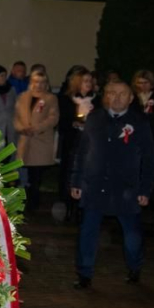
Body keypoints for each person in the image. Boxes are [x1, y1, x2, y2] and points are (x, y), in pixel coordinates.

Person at [71, 81, 154, 289]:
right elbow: (82, 152)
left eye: (122, 94)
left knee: (132, 235)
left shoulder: (140, 122)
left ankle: (135, 267)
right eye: (112, 93)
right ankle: (84, 273)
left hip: (126, 189)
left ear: (130, 98)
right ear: (106, 96)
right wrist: (76, 180)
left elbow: (150, 159)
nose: (117, 98)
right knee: (88, 232)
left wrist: (145, 189)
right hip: (95, 185)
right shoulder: (95, 118)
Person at [57, 67, 99, 221]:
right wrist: (74, 123)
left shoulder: (96, 100)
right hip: (73, 141)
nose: (89, 84)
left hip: (90, 143)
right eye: (85, 81)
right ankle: (68, 205)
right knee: (69, 172)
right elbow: (63, 121)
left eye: (90, 81)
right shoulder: (66, 100)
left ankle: (82, 206)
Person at [14, 69, 58, 212]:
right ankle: (23, 203)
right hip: (26, 140)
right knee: (24, 175)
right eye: (35, 82)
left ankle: (33, 205)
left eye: (41, 82)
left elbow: (53, 118)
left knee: (36, 176)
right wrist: (22, 128)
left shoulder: (50, 98)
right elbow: (16, 117)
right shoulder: (22, 97)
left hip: (40, 141)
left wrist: (36, 128)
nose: (38, 85)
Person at [131, 69, 154, 203]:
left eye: (145, 83)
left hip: (153, 135)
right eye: (139, 83)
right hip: (135, 136)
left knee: (151, 165)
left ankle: (151, 196)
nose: (142, 86)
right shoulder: (133, 97)